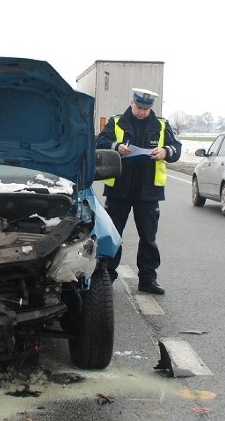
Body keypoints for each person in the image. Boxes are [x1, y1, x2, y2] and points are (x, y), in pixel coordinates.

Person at [95, 88, 181, 295]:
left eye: (146, 108)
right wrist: (116, 146)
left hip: (148, 191)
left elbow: (176, 148)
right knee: (113, 235)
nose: (142, 112)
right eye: (139, 107)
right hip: (119, 189)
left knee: (148, 238)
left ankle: (148, 279)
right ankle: (107, 277)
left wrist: (165, 151)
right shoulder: (117, 122)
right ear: (132, 102)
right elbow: (101, 142)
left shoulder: (161, 125)